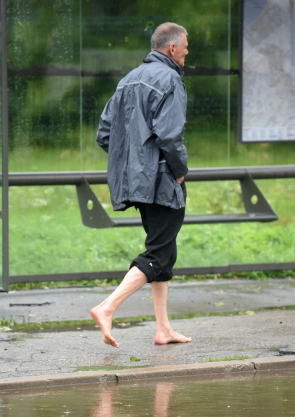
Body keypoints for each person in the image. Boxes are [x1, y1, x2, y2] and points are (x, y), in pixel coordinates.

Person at [90, 22, 191, 348]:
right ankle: (107, 308)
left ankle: (163, 329)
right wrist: (179, 172)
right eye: (185, 46)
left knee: (165, 251)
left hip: (138, 182)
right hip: (162, 181)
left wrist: (135, 163)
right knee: (158, 255)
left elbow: (105, 133)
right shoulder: (170, 79)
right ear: (172, 48)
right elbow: (170, 135)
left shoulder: (127, 80)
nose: (188, 52)